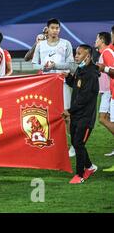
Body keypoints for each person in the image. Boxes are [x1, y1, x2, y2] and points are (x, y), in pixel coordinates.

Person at [32, 18, 74, 157]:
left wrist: (59, 68)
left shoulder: (66, 44)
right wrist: (44, 67)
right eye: (53, 28)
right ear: (47, 29)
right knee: (48, 115)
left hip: (62, 84)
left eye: (57, 28)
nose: (55, 30)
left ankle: (73, 145)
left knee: (66, 115)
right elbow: (34, 64)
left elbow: (71, 64)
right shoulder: (41, 45)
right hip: (47, 84)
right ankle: (51, 143)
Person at [62, 45, 99, 184]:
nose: (75, 56)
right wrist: (68, 77)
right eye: (75, 53)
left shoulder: (91, 75)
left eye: (79, 53)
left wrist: (69, 111)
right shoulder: (80, 70)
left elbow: (84, 98)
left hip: (86, 117)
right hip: (77, 115)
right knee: (76, 143)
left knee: (78, 143)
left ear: (88, 56)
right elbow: (76, 85)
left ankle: (80, 175)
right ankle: (90, 166)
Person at [94, 33, 114, 156]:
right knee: (104, 119)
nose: (95, 41)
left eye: (97, 38)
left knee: (102, 118)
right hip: (106, 91)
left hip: (108, 91)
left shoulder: (106, 52)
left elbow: (109, 70)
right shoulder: (104, 53)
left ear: (101, 40)